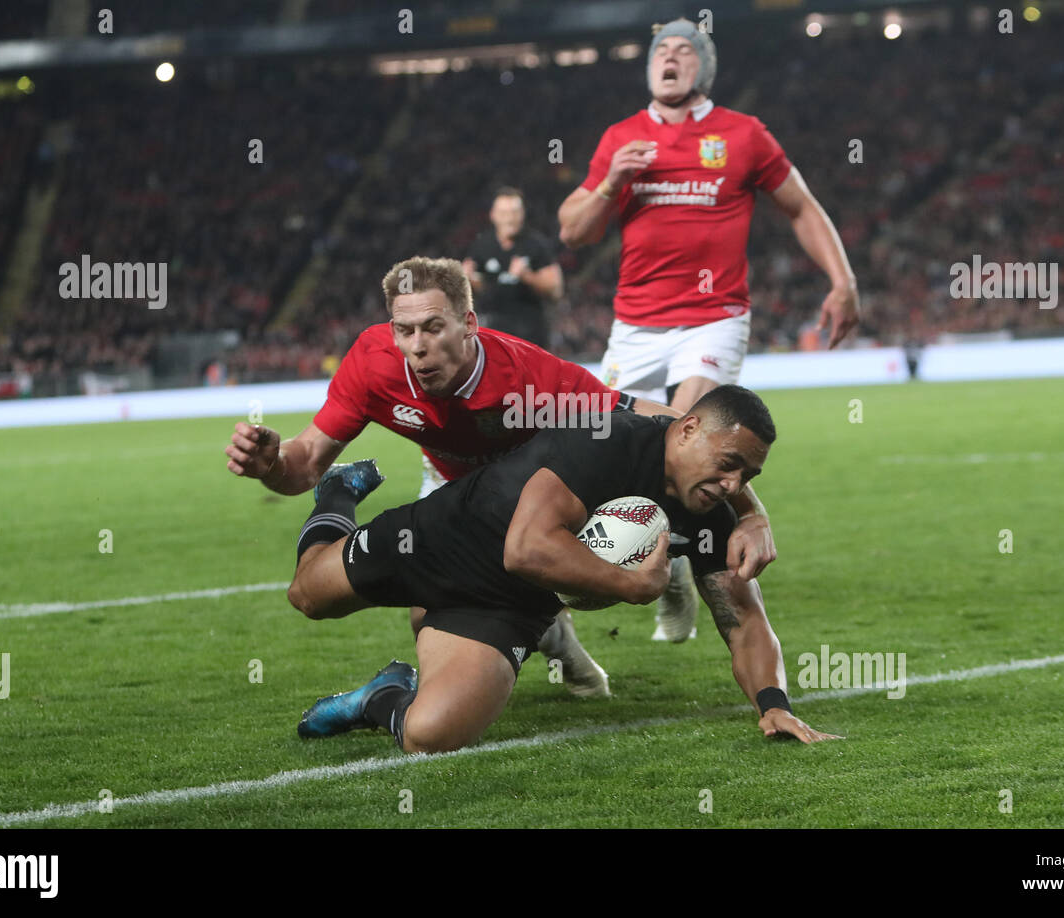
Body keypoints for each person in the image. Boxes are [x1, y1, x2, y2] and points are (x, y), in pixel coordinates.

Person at [224, 256, 774, 697]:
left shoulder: (532, 379)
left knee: (527, 571)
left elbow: (669, 424)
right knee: (400, 613)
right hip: (452, 495)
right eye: (405, 329)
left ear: (468, 325)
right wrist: (271, 463)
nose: (417, 346)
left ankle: (555, 639)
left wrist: (750, 512)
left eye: (433, 327)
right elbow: (303, 465)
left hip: (533, 498)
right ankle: (343, 496)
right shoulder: (373, 364)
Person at [287, 384, 840, 753]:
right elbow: (525, 547)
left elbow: (742, 618)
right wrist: (632, 585)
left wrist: (774, 704)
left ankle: (381, 694)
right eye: (729, 465)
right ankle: (336, 495)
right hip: (438, 540)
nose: (733, 486)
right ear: (688, 429)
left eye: (748, 477)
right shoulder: (607, 442)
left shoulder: (710, 512)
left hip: (508, 606)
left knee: (431, 736)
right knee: (308, 596)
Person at [557, 17, 859, 644]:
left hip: (714, 317)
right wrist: (613, 179)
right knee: (603, 440)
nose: (669, 58)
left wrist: (843, 279)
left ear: (703, 68)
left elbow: (800, 206)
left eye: (683, 52)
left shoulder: (742, 135)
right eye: (660, 51)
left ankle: (680, 565)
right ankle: (665, 570)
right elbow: (573, 231)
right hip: (636, 323)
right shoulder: (622, 137)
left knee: (683, 430)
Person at [462, 186, 562, 348]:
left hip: (531, 337)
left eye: (514, 212)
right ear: (493, 215)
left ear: (523, 214)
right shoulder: (481, 246)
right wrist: (468, 279)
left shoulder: (536, 245)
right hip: (493, 337)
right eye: (504, 213)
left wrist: (527, 276)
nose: (509, 219)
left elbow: (556, 290)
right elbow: (479, 289)